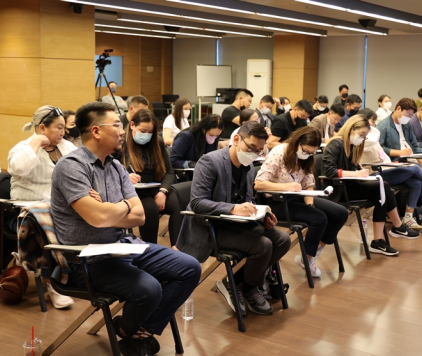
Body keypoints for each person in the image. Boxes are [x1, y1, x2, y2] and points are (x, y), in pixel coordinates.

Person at [51, 101, 200, 356]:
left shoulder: (116, 166)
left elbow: (140, 216)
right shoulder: (71, 166)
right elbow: (98, 218)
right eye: (117, 125)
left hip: (124, 248)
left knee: (189, 267)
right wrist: (120, 206)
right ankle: (135, 332)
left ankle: (133, 330)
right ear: (96, 131)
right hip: (87, 260)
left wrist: (108, 209)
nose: (123, 131)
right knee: (150, 288)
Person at [177, 121, 290, 315]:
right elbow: (197, 203)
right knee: (262, 246)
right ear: (236, 139)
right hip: (211, 227)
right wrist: (233, 209)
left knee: (282, 239)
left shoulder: (247, 167)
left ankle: (235, 283)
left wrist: (262, 217)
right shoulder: (209, 162)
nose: (254, 153)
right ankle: (249, 289)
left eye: (259, 150)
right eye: (251, 147)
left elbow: (248, 200)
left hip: (238, 225)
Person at [8, 105, 78, 309]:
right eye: (58, 127)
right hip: (29, 211)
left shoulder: (67, 147)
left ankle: (76, 276)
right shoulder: (22, 148)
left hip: (60, 208)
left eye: (64, 127)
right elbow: (19, 168)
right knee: (47, 222)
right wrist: (36, 142)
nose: (63, 132)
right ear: (42, 128)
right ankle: (53, 285)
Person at [323, 116, 422, 254]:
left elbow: (354, 168)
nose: (362, 139)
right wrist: (356, 174)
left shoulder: (352, 146)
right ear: (351, 129)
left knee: (381, 190)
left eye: (364, 136)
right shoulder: (336, 144)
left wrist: (360, 171)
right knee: (383, 187)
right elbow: (329, 171)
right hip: (339, 190)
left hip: (350, 186)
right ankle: (396, 227)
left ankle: (379, 240)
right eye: (361, 134)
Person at [256, 126, 348, 274]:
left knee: (340, 213)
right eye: (306, 151)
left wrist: (310, 204)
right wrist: (286, 186)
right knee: (320, 218)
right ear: (297, 142)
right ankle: (308, 259)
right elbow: (259, 184)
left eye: (312, 153)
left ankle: (315, 251)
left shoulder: (306, 158)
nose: (308, 155)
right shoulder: (279, 152)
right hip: (277, 201)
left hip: (297, 197)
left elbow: (309, 184)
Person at [120, 109, 180, 245]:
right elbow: (110, 170)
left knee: (177, 204)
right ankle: (151, 248)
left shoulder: (157, 142)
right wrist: (126, 176)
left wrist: (163, 191)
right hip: (132, 190)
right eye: (143, 131)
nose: (146, 135)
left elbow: (169, 172)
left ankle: (176, 247)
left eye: (150, 132)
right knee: (150, 208)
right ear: (132, 125)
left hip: (155, 187)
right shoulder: (121, 143)